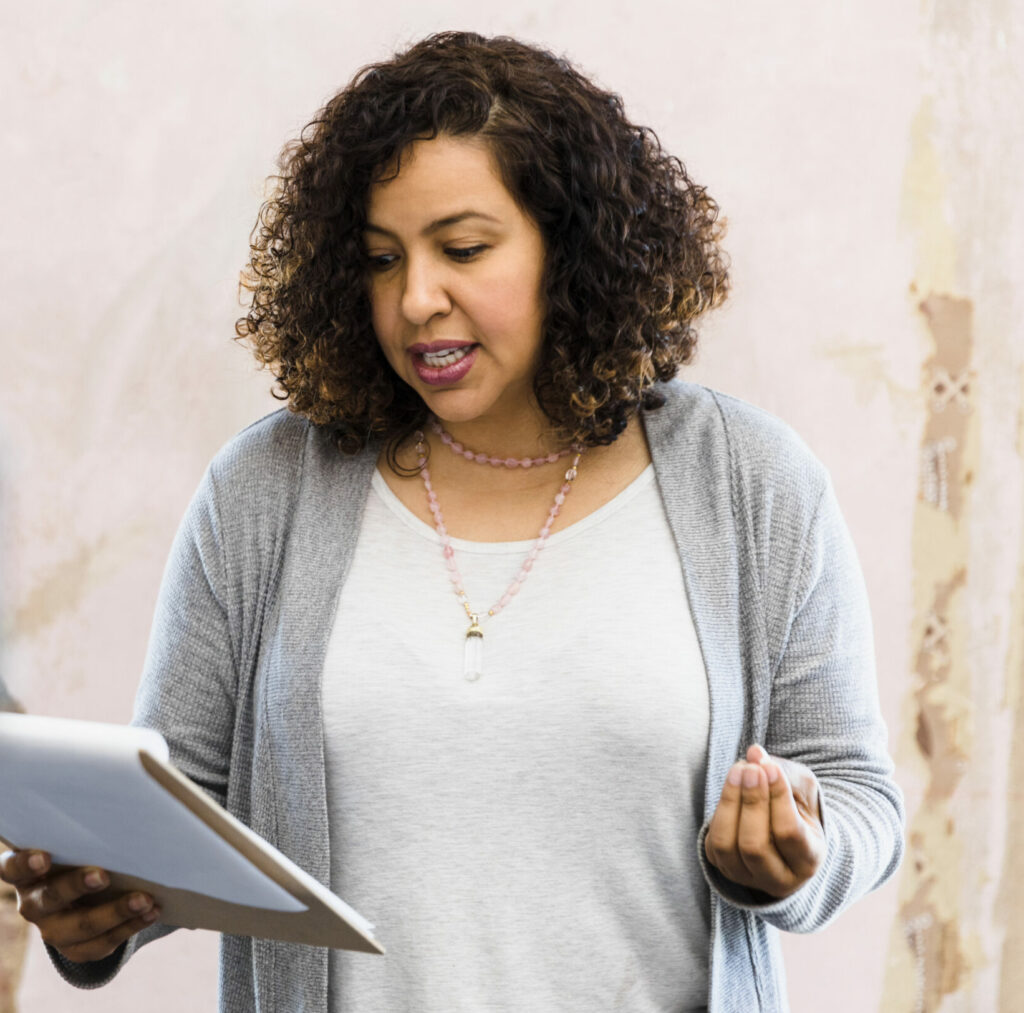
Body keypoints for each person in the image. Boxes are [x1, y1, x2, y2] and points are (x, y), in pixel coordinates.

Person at [0, 31, 903, 1012]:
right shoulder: (265, 490)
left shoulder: (754, 484)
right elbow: (180, 809)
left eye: (463, 248)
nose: (415, 299)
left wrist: (795, 851)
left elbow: (856, 793)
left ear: (575, 248)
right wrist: (95, 913)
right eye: (382, 259)